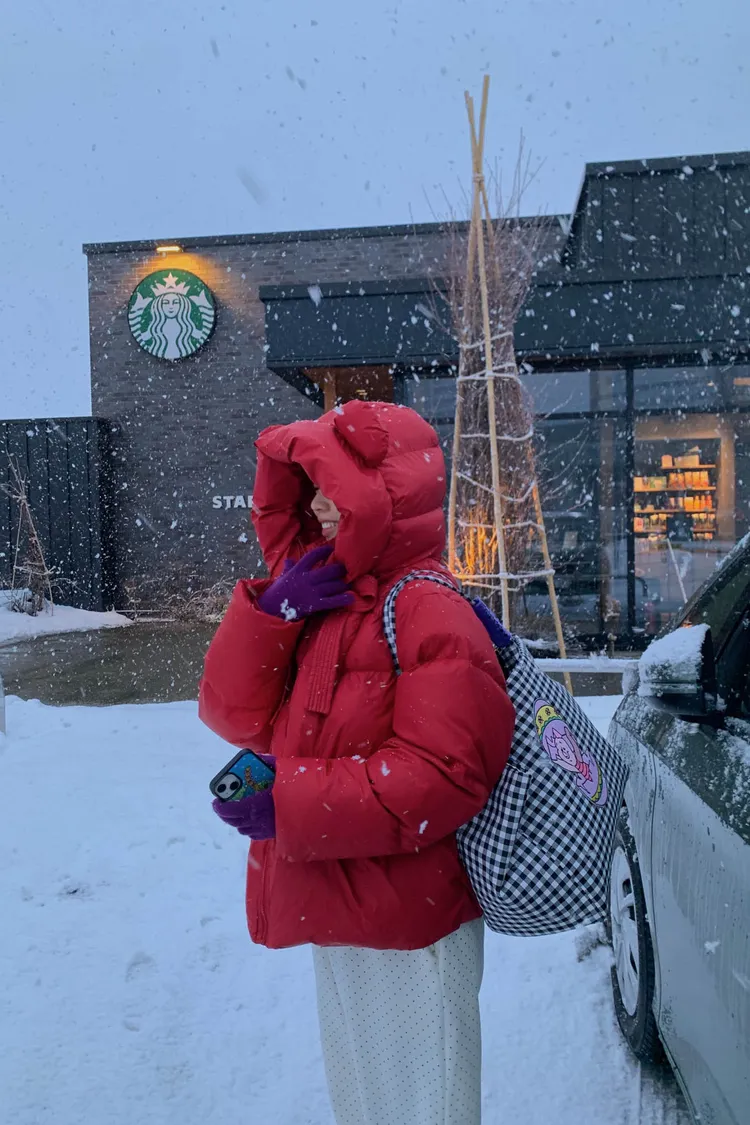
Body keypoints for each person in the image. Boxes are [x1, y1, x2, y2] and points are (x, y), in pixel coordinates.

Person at [199, 399, 515, 1125]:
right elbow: (234, 715)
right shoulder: (327, 601)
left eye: (332, 486)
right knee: (366, 1104)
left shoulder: (427, 606)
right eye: (307, 487)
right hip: (336, 897)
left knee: (425, 1107)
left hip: (411, 917)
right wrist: (272, 612)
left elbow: (445, 775)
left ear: (384, 497)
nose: (315, 504)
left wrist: (290, 801)